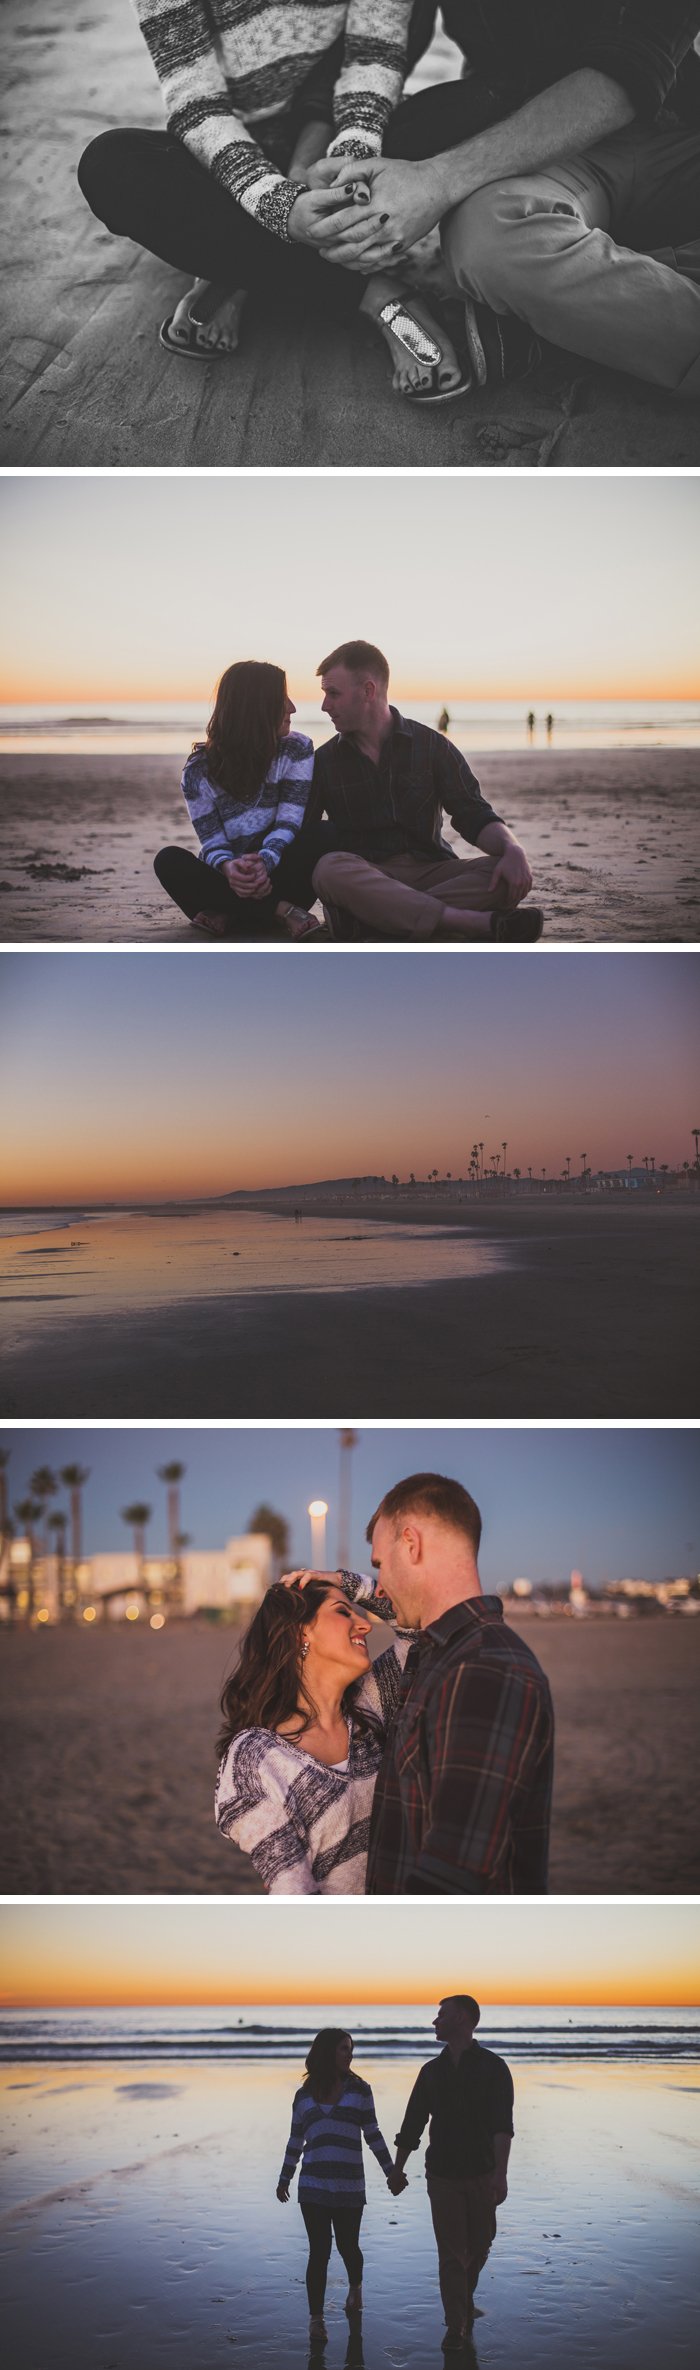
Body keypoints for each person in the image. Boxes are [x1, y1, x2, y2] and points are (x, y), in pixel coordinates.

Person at [76, 3, 465, 402]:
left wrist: (348, 161)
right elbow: (197, 103)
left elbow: (373, 56)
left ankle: (241, 264)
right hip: (233, 153)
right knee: (112, 165)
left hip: (350, 123)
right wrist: (280, 204)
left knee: (476, 106)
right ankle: (374, 293)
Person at [310, 4, 700, 401]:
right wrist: (338, 153)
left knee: (505, 261)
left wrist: (438, 180)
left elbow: (629, 71)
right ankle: (574, 314)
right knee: (485, 240)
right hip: (537, 145)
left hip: (684, 133)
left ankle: (548, 322)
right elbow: (379, 42)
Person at [358, 1471, 554, 1890]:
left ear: (410, 1544)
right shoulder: (440, 1656)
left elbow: (453, 1876)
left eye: (379, 1564)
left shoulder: (485, 1667)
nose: (380, 1584)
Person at [308, 642, 544, 940]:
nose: (325, 706)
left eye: (333, 694)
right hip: (370, 876)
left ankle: (378, 921)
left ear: (368, 691)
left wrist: (513, 849)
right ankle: (462, 921)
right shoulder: (324, 761)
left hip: (434, 871)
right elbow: (305, 835)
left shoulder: (432, 746)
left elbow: (473, 812)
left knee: (505, 875)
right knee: (329, 870)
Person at [214, 1574, 414, 1889]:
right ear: (300, 1632)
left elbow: (418, 1628)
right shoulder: (256, 1756)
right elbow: (291, 1887)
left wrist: (346, 1582)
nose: (365, 1625)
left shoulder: (368, 1710)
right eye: (343, 1611)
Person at [153, 660, 333, 937]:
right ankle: (282, 911)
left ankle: (228, 911)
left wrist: (265, 861)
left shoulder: (297, 749)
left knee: (324, 832)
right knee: (168, 861)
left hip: (280, 873)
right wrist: (229, 868)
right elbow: (212, 842)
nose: (292, 708)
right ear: (256, 707)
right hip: (228, 880)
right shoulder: (198, 771)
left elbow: (289, 822)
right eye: (281, 699)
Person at [391, 1995, 514, 2352]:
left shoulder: (494, 2068)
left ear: (461, 2018)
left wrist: (500, 2175)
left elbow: (501, 2127)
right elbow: (412, 2123)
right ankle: (456, 2323)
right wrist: (398, 2169)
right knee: (450, 2252)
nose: (434, 2021)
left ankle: (463, 2295)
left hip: (481, 2173)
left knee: (480, 2244)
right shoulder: (431, 2071)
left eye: (440, 2015)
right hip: (442, 2174)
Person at [277, 2027, 404, 2343]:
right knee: (318, 2252)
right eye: (344, 2048)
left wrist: (391, 2171)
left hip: (349, 2186)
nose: (350, 2054)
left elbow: (372, 2133)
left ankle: (355, 2289)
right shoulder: (303, 2096)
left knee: (348, 2247)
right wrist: (284, 2178)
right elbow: (296, 2140)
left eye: (351, 2048)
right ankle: (316, 2320)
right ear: (327, 2052)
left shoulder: (360, 2090)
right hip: (313, 2185)